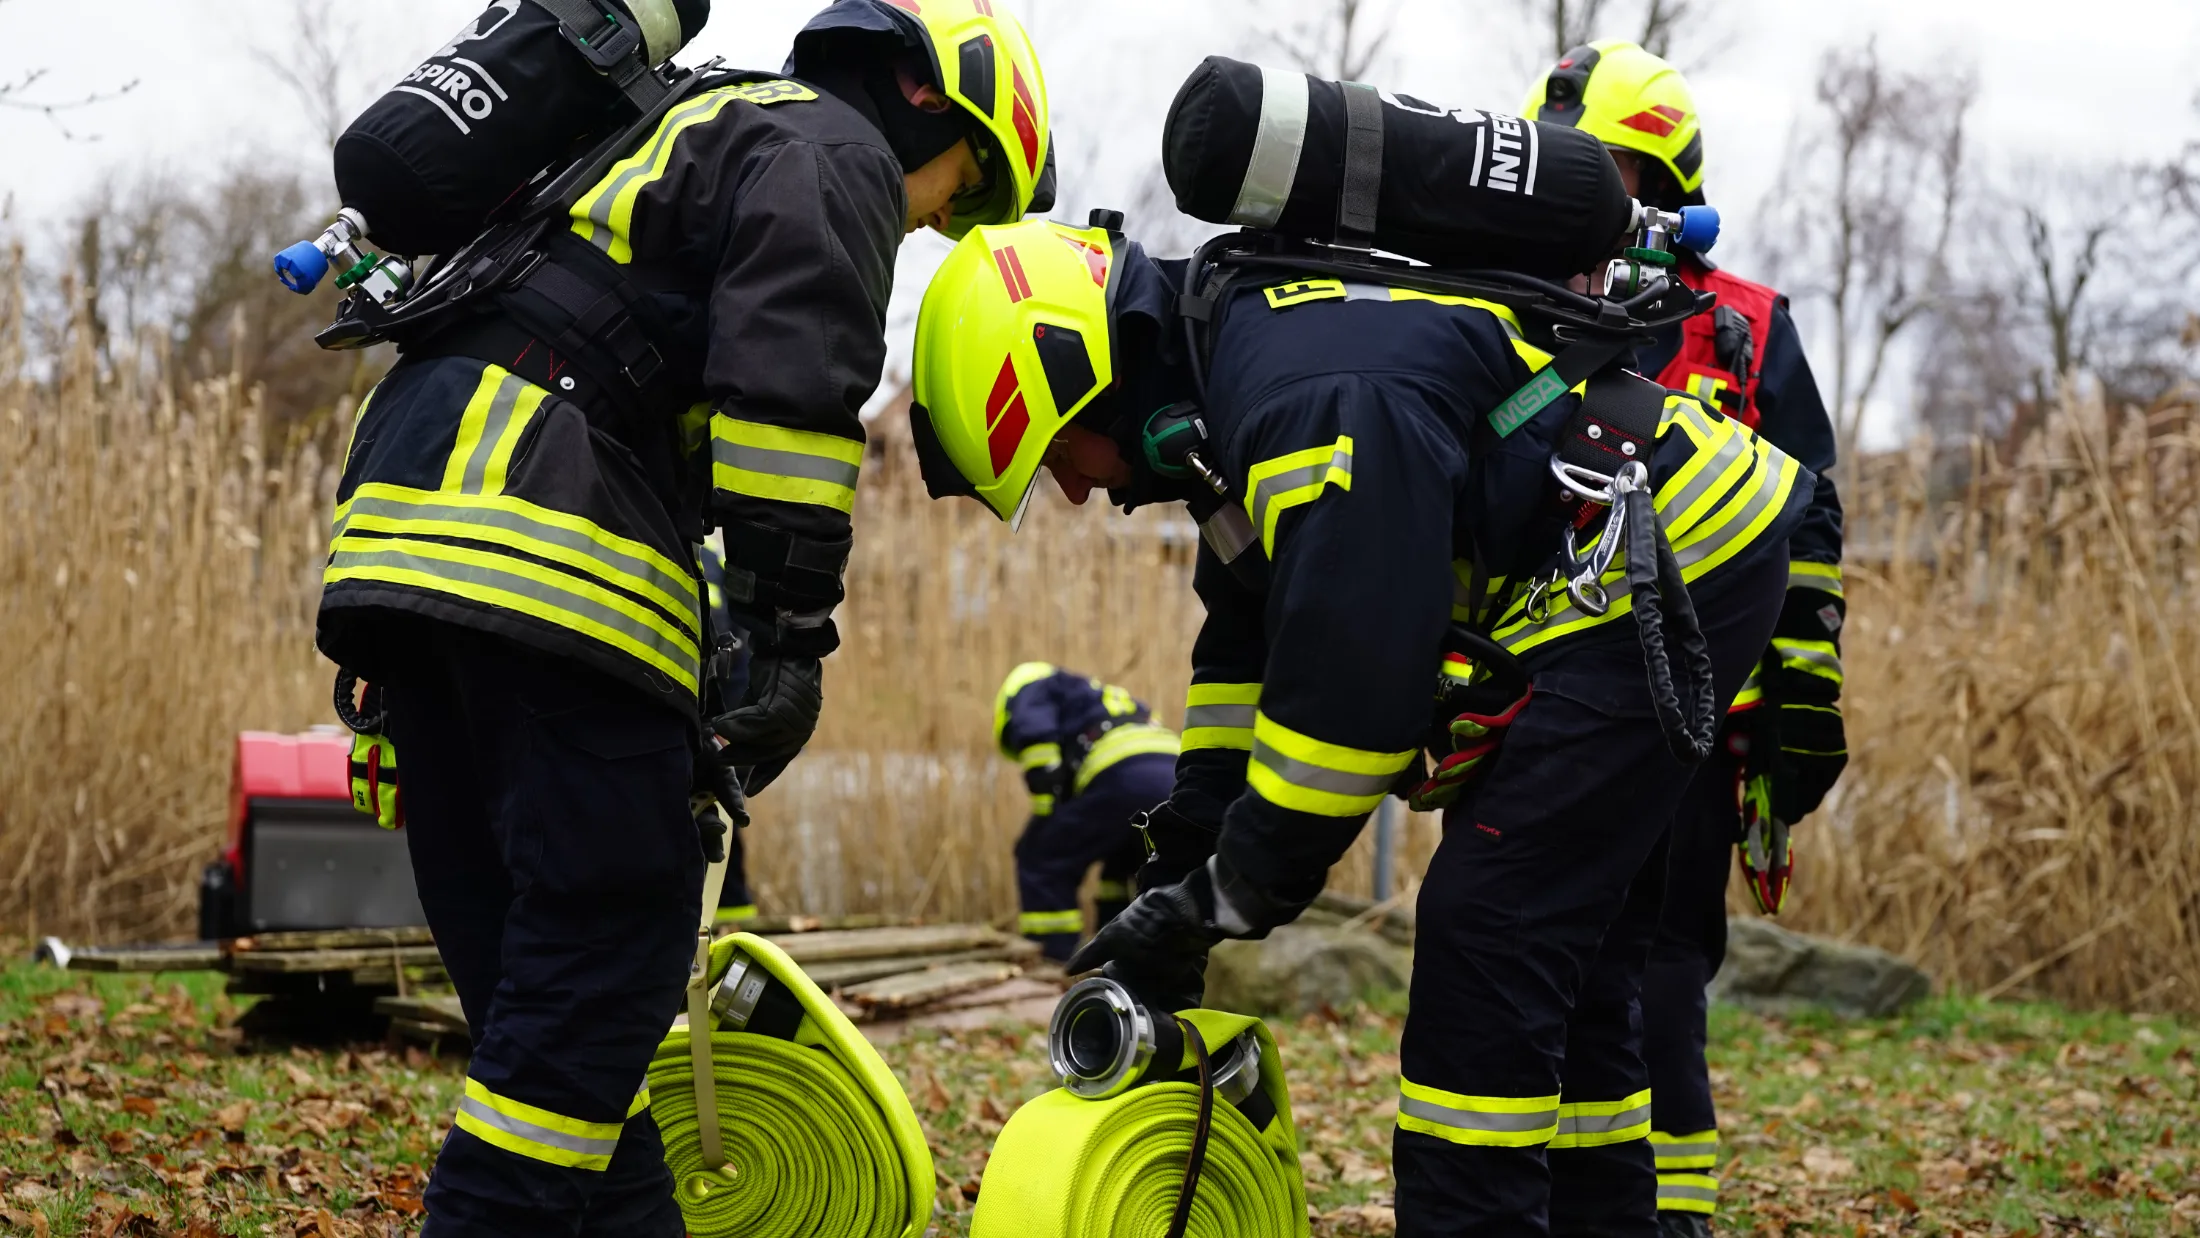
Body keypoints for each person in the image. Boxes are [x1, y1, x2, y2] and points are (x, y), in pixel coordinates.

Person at [906, 209, 1810, 1235]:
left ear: (1079, 375)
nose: (1071, 490)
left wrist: (1227, 895)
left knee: (1491, 921)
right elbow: (1244, 654)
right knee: (1571, 945)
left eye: (1056, 454)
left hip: (1668, 557)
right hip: (1672, 539)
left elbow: (1351, 704)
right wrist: (1183, 858)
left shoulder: (1302, 399)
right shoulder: (1232, 375)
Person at [316, 3, 1052, 1233]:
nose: (931, 219)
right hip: (538, 528)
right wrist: (787, 631)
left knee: (543, 989)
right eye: (958, 187)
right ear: (927, 101)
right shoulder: (836, 150)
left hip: (408, 518)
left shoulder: (681, 117)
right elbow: (789, 400)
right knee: (610, 937)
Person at [1525, 42, 1848, 1235]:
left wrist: (1805, 691)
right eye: (1568, 171)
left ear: (1668, 181)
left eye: (1610, 171)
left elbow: (1808, 510)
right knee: (1539, 943)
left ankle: (1675, 1211)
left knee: (1662, 957)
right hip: (1544, 698)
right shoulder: (1518, 315)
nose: (1591, 196)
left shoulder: (1748, 326)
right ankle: (1564, 1191)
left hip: (1697, 709)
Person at [993, 662, 1180, 959]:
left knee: (1041, 856)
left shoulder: (1032, 688)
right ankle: (1121, 961)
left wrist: (1045, 814)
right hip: (1175, 777)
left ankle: (1051, 959)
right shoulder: (1101, 699)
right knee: (1123, 865)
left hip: (1122, 773)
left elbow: (1037, 741)